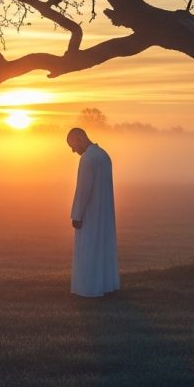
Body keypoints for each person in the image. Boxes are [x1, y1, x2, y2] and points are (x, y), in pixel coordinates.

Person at [67, 127, 120, 297]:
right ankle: (105, 285)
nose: (73, 150)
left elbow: (83, 190)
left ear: (79, 138)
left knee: (88, 250)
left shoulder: (88, 159)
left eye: (72, 145)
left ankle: (88, 288)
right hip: (104, 213)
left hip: (90, 214)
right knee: (103, 249)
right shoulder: (104, 155)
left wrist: (77, 214)